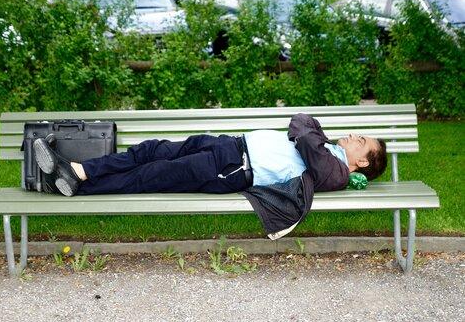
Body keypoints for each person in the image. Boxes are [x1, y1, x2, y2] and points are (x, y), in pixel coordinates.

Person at [33, 113, 387, 239]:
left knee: (151, 175)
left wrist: (309, 138)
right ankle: (77, 171)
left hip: (231, 168)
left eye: (362, 142)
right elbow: (301, 121)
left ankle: (73, 186)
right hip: (229, 145)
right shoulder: (324, 148)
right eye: (358, 135)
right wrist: (308, 136)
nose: (355, 137)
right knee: (151, 150)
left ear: (364, 164)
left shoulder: (336, 171)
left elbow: (304, 133)